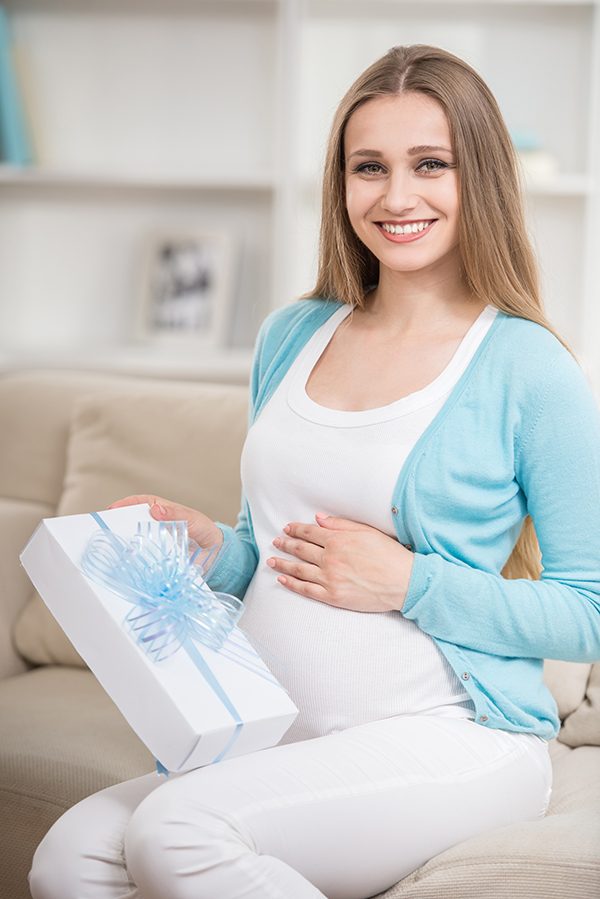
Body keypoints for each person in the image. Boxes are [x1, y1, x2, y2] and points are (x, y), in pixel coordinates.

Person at [30, 44, 600, 899]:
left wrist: (410, 580)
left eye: (429, 164)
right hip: (274, 730)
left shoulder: (529, 367)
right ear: (341, 183)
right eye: (368, 166)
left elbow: (586, 610)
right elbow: (275, 547)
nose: (395, 196)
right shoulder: (291, 334)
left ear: (477, 176)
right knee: (67, 855)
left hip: (453, 736)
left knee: (177, 832)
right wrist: (210, 547)